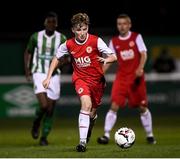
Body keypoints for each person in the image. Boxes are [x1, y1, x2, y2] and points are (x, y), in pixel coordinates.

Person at [42, 13, 117, 152]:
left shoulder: (96, 41)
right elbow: (56, 58)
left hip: (97, 82)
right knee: (86, 105)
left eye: (84, 29)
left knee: (92, 114)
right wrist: (48, 77)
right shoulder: (68, 44)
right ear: (73, 30)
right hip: (80, 79)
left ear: (87, 28)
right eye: (78, 29)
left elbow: (114, 56)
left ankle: (89, 127)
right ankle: (82, 143)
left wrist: (107, 60)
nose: (81, 33)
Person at [97, 14, 156, 145]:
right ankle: (106, 135)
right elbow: (109, 60)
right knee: (114, 105)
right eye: (119, 24)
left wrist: (140, 68)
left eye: (124, 24)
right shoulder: (114, 41)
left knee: (142, 107)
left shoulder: (136, 37)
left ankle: (150, 135)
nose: (122, 26)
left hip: (136, 78)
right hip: (122, 78)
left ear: (129, 25)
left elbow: (143, 54)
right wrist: (99, 73)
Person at [24, 12, 67, 146]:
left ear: (56, 24)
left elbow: (66, 58)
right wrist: (27, 69)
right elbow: (28, 52)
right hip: (39, 73)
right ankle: (36, 123)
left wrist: (58, 65)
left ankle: (44, 137)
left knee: (50, 109)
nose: (51, 24)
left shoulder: (62, 38)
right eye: (48, 22)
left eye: (53, 22)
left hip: (54, 75)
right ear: (44, 23)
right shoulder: (36, 37)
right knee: (43, 105)